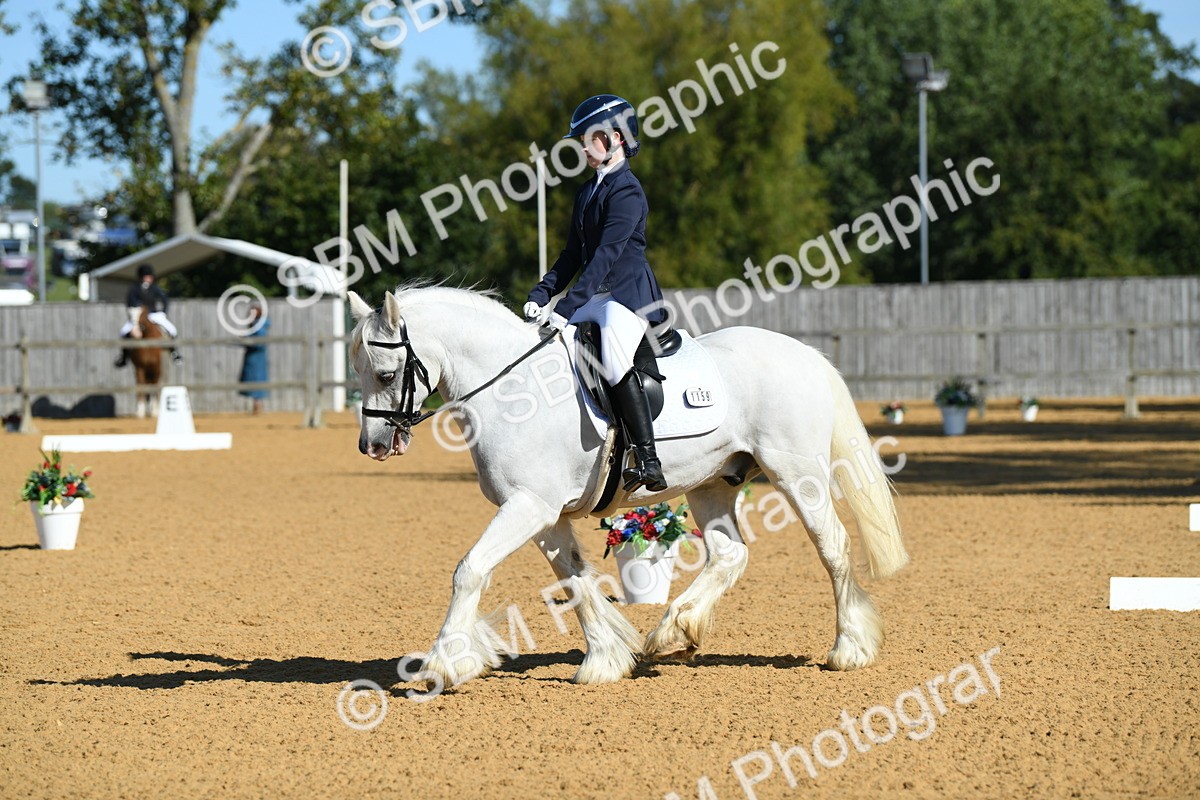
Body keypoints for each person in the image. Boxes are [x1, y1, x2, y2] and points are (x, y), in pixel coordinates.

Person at [524, 94, 669, 493]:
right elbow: (573, 254)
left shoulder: (628, 192)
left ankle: (647, 457)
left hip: (626, 296)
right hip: (595, 296)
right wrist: (542, 294)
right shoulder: (587, 192)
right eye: (583, 141)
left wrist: (567, 306)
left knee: (616, 359)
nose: (585, 148)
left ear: (617, 138)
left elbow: (605, 256)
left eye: (592, 139)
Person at [114, 264, 182, 367]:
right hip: (138, 316)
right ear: (141, 277)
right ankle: (124, 356)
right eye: (147, 276)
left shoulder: (154, 288)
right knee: (123, 332)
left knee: (172, 330)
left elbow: (165, 300)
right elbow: (131, 302)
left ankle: (174, 353)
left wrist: (163, 312)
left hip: (154, 315)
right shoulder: (134, 289)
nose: (149, 278)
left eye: (150, 276)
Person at [238, 302, 270, 414]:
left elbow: (258, 343)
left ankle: (257, 407)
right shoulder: (258, 326)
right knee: (256, 382)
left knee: (256, 381)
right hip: (255, 357)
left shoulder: (258, 326)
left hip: (255, 358)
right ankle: (256, 406)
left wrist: (246, 340)